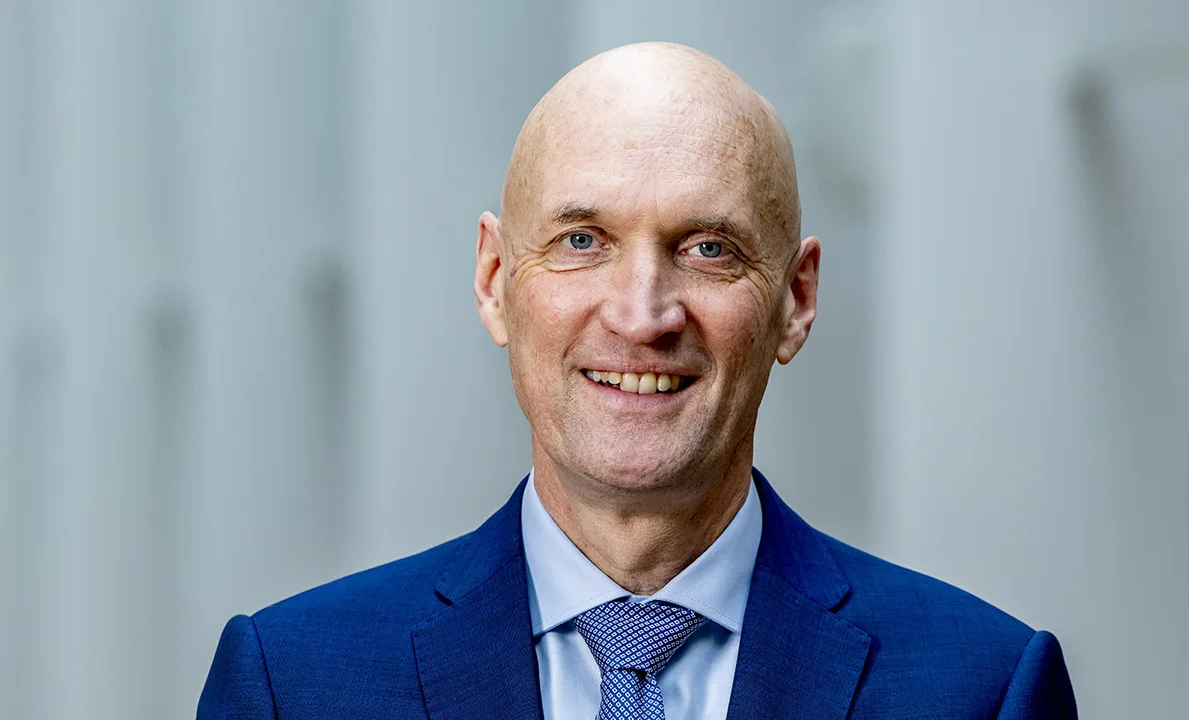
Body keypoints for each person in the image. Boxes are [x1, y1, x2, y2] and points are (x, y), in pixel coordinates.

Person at [198, 42, 1077, 719]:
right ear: (494, 280)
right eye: (582, 241)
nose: (642, 314)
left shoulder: (981, 689)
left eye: (708, 248)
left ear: (796, 300)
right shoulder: (292, 686)